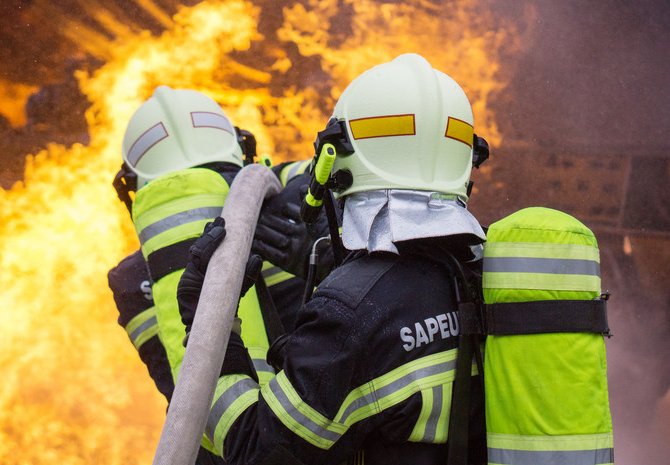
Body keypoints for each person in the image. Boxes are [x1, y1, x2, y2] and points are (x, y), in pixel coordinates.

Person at [176, 53, 488, 464]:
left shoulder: (349, 316)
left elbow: (259, 454)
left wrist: (208, 324)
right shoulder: (488, 272)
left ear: (333, 161)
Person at [106, 86, 324, 463]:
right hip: (320, 431)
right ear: (242, 152)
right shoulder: (296, 199)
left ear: (132, 191)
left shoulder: (132, 280)